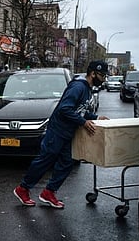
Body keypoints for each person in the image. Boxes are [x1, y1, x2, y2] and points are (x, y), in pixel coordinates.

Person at [13, 60, 110, 209]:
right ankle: (23, 189)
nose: (103, 79)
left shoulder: (87, 89)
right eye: (102, 75)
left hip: (68, 133)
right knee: (45, 160)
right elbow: (65, 109)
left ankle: (49, 192)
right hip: (57, 131)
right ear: (93, 73)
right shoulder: (78, 87)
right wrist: (83, 123)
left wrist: (95, 118)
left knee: (67, 162)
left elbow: (80, 110)